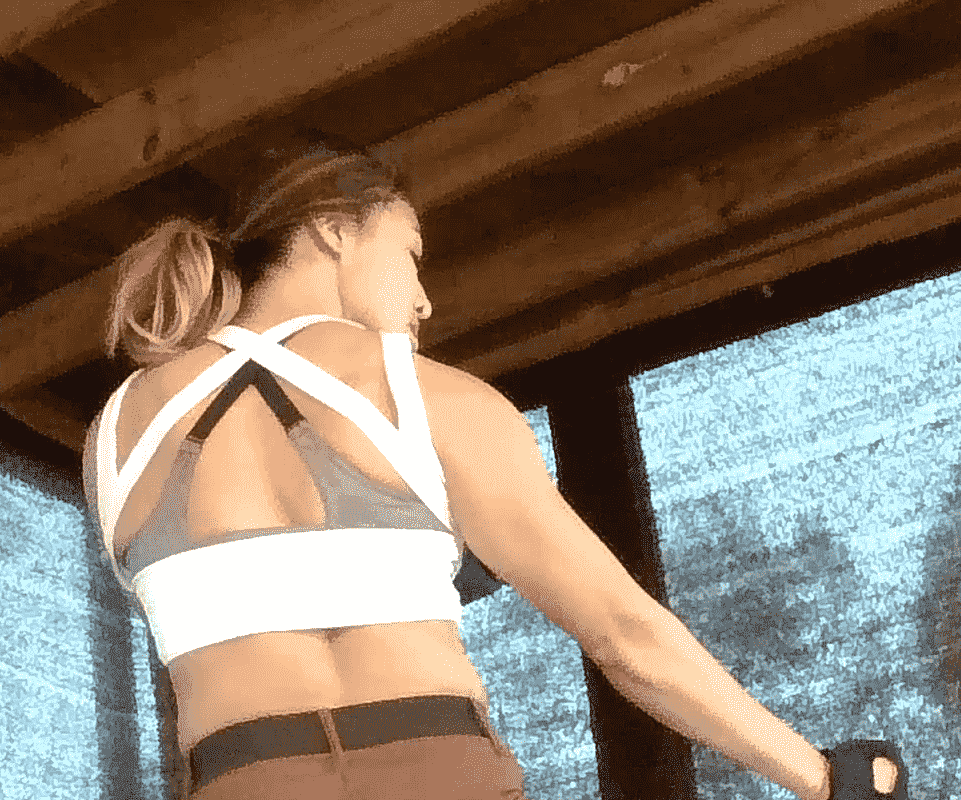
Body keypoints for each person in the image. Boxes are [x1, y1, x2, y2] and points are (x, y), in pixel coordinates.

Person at [80, 138, 905, 799]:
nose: (424, 300)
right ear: (334, 229)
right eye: (411, 254)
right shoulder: (433, 397)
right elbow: (626, 638)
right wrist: (822, 779)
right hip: (440, 770)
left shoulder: (115, 437)